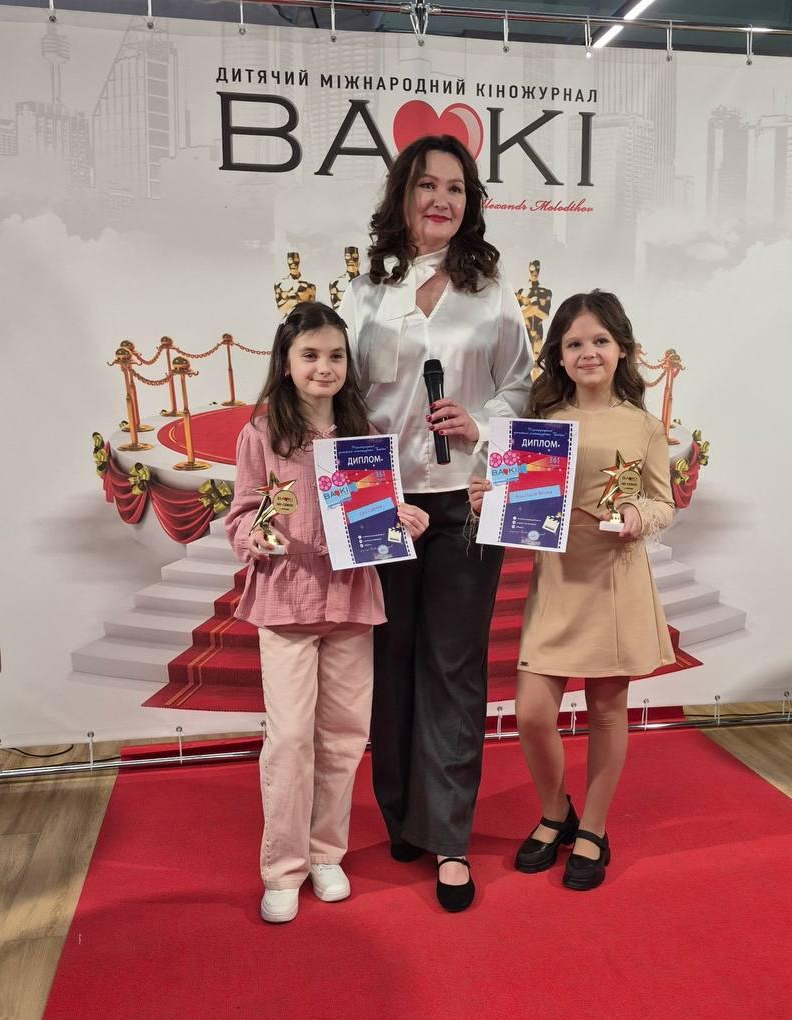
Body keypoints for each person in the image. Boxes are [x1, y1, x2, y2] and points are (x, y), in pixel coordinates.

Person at [340, 134, 533, 912]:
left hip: (466, 500)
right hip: (380, 497)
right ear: (402, 195)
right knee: (388, 662)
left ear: (469, 202)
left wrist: (482, 424)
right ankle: (402, 816)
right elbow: (339, 393)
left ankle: (449, 834)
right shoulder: (364, 292)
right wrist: (360, 469)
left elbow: (521, 384)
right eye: (427, 185)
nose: (441, 200)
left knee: (453, 667)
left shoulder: (491, 293)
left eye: (456, 188)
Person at [225, 302, 429, 924]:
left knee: (342, 738)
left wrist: (402, 517)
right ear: (285, 363)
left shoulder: (364, 436)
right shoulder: (261, 434)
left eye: (335, 355)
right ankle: (282, 868)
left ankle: (325, 854)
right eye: (310, 355)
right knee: (290, 740)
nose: (324, 367)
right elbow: (242, 514)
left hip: (350, 601)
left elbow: (378, 510)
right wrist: (256, 536)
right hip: (286, 601)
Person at [469, 291, 675, 891]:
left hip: (615, 581)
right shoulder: (538, 426)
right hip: (556, 583)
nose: (589, 352)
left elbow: (663, 502)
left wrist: (638, 514)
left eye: (600, 341)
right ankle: (556, 811)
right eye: (575, 343)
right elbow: (520, 512)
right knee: (533, 714)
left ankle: (595, 828)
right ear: (558, 355)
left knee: (608, 712)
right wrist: (489, 501)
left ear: (622, 349)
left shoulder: (644, 427)